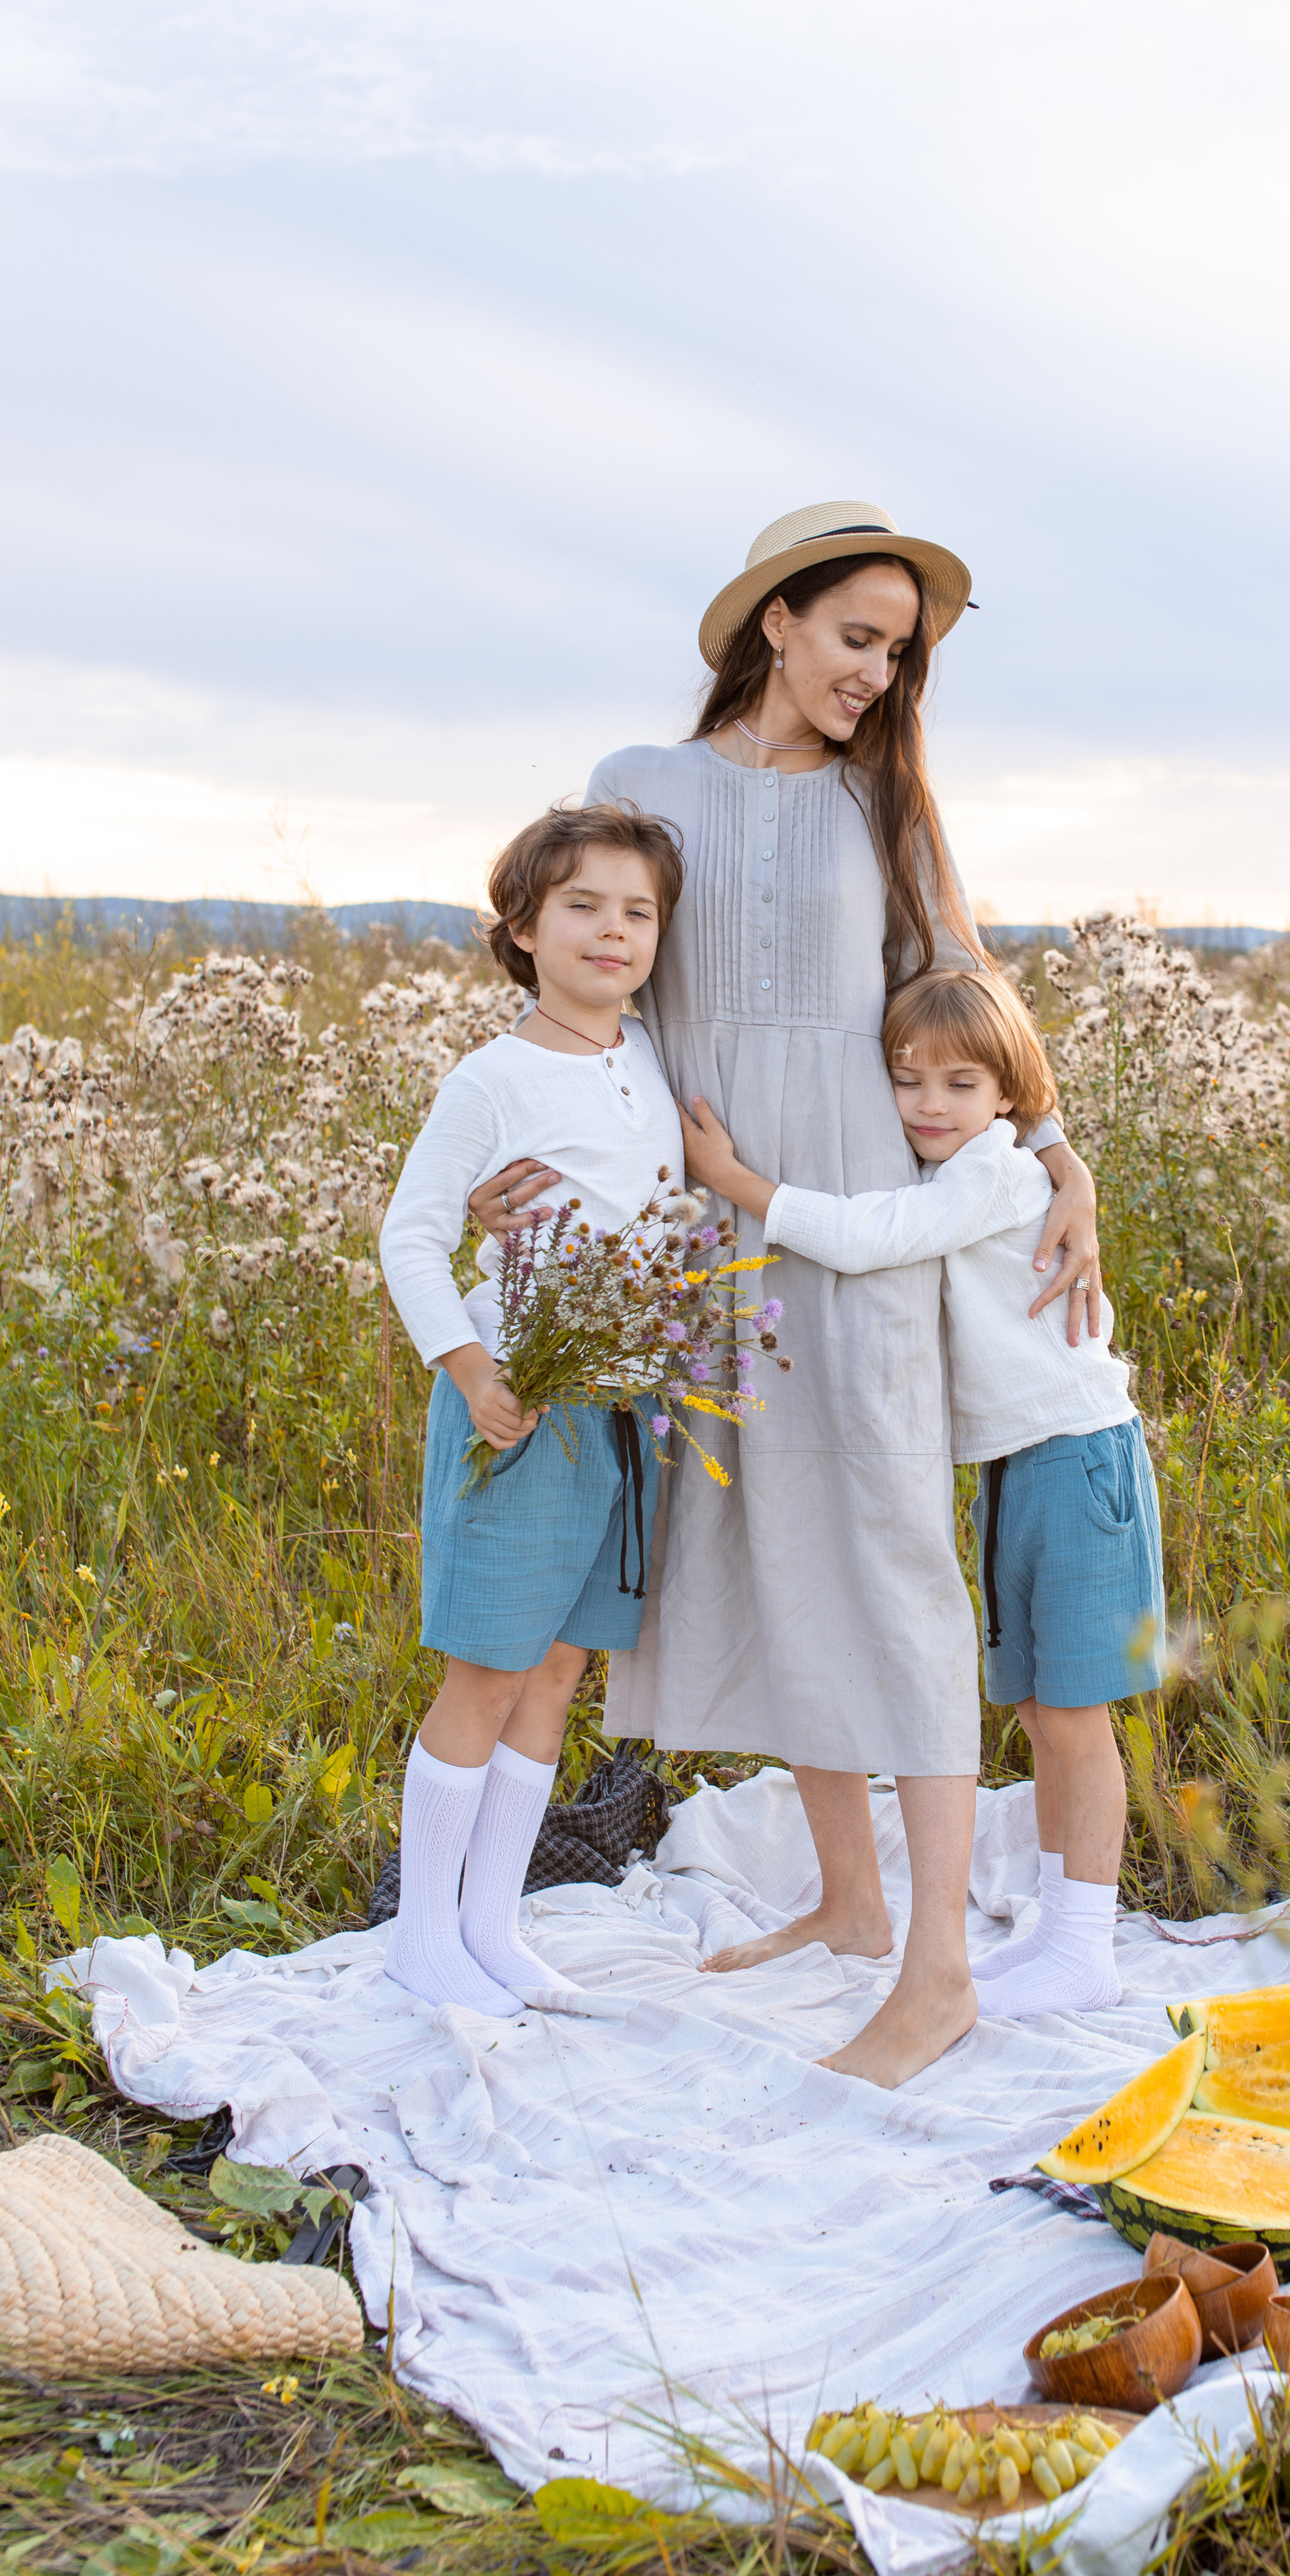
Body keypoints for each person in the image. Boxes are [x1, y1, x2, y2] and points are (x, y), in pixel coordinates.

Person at [467, 500, 1104, 2086]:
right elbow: (591, 984)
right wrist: (505, 1154)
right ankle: (847, 1900)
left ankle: (938, 1973)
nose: (876, 673)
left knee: (887, 1562)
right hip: (690, 1230)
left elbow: (965, 987)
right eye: (855, 637)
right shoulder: (643, 783)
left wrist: (1057, 1153)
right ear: (776, 622)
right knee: (768, 1546)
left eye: (899, 652)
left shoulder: (887, 804)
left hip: (853, 1221)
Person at [681, 963, 1162, 2019]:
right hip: (1018, 1461)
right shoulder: (960, 1161)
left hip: (1079, 1453)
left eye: (960, 1083)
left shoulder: (994, 1171)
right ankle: (1057, 1935)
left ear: (1009, 1095)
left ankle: (1085, 1945)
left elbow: (872, 1239)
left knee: (1074, 1716)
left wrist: (738, 1182)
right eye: (908, 1080)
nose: (931, 1105)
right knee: (1037, 1708)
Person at [377, 800, 683, 2014]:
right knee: (489, 1673)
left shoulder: (647, 1052)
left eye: (638, 911)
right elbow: (409, 1234)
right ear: (522, 927)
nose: (614, 931)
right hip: (522, 1403)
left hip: (623, 1408)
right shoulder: (492, 1079)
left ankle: (494, 1925)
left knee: (558, 1669)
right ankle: (422, 1936)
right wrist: (472, 1368)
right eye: (583, 906)